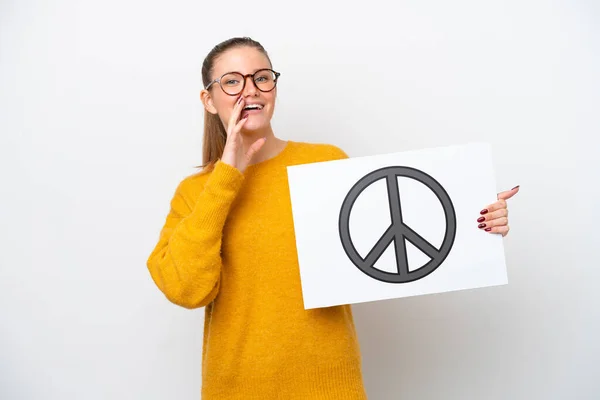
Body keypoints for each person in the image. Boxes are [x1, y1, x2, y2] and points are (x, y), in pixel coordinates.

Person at [146, 37, 519, 400]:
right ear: (208, 100)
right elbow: (186, 289)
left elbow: (391, 238)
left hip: (330, 387)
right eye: (232, 81)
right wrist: (226, 176)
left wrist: (478, 219)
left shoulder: (324, 163)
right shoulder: (196, 192)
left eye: (261, 77)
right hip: (236, 389)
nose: (250, 90)